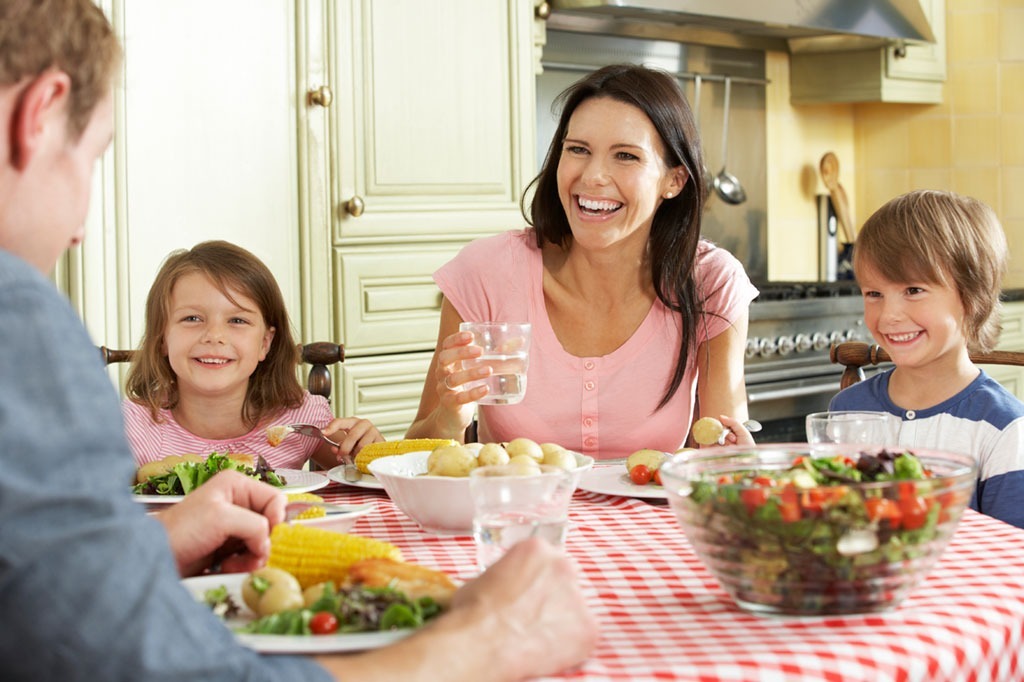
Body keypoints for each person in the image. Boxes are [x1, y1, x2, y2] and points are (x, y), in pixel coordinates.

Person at [0, 1, 597, 680]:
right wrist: (485, 641)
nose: (80, 227)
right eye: (92, 157)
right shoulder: (18, 322)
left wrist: (145, 543)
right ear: (40, 114)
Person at [407, 63, 759, 458]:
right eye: (578, 150)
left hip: (650, 521)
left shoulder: (711, 281)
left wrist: (736, 453)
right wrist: (450, 417)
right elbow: (417, 455)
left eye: (625, 156)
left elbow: (721, 451)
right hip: (510, 516)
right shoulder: (486, 273)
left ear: (673, 181)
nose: (593, 176)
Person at [829, 189, 1024, 529]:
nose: (889, 315)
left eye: (913, 290)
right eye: (874, 294)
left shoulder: (1003, 428)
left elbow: (1013, 554)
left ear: (972, 295)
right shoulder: (848, 409)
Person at [122, 239, 382, 471]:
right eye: (192, 318)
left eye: (237, 320)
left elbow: (363, 472)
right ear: (162, 338)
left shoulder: (299, 419)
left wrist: (370, 451)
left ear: (265, 343)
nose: (214, 335)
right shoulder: (131, 427)